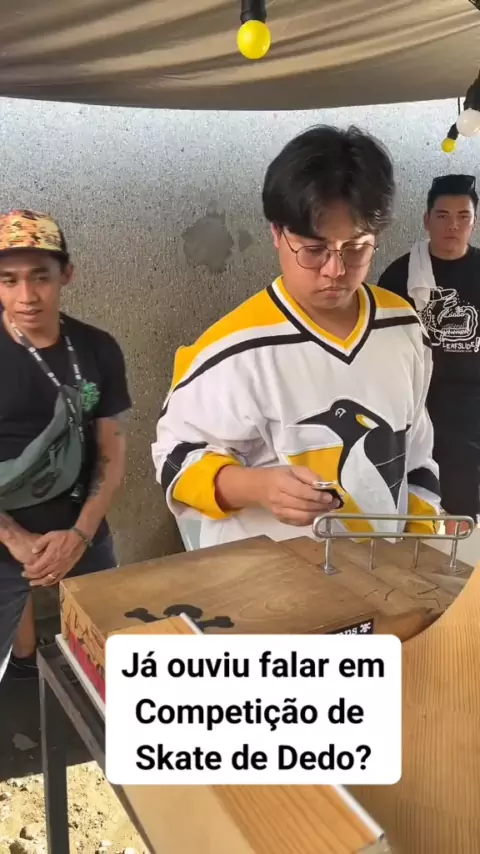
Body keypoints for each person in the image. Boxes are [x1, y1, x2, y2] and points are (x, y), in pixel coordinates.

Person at [152, 125, 441, 550]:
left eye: (355, 249)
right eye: (314, 250)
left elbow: (416, 454)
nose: (335, 270)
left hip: (383, 573)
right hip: (269, 582)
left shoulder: (402, 326)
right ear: (277, 233)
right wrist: (259, 488)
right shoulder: (234, 348)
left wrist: (422, 544)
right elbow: (174, 460)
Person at [0, 210, 131, 681]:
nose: (27, 296)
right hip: (3, 533)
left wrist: (80, 535)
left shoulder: (98, 348)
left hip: (82, 530)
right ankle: (23, 661)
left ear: (66, 274)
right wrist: (15, 540)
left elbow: (112, 452)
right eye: (9, 280)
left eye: (41, 277)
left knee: (109, 655)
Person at [378, 174, 480, 532]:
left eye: (463, 216)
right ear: (426, 220)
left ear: (474, 222)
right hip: (419, 401)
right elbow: (382, 347)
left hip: (473, 403)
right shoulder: (398, 277)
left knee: (467, 501)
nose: (453, 225)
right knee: (420, 491)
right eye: (442, 215)